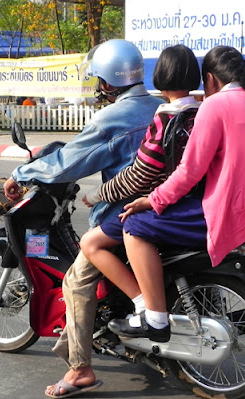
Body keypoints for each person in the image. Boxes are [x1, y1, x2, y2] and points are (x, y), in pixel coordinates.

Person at [3, 39, 165, 398]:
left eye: (99, 80)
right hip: (169, 210)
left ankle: (80, 370)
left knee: (76, 282)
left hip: (126, 215)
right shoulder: (160, 107)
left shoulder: (112, 117)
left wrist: (22, 172)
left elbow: (70, 162)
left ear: (108, 81)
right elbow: (79, 147)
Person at [107, 45, 245, 342]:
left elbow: (189, 171)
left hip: (235, 210)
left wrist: (151, 200)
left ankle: (154, 318)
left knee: (134, 226)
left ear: (209, 79)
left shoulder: (216, 105)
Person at [79, 44, 201, 318]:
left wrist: (98, 194)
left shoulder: (167, 118)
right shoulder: (202, 114)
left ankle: (145, 305)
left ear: (160, 76)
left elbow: (140, 175)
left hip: (163, 205)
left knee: (91, 243)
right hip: (193, 203)